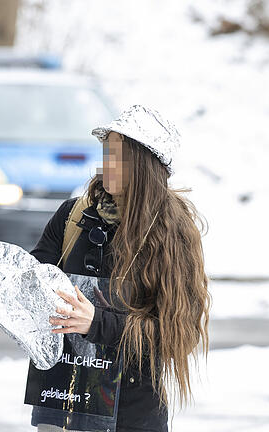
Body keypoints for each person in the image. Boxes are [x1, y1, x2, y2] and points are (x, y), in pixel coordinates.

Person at [28, 105, 210, 431]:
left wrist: (96, 323)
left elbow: (177, 334)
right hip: (64, 401)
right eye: (106, 153)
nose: (106, 165)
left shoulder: (171, 233)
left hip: (131, 414)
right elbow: (33, 282)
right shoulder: (73, 216)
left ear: (143, 166)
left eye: (118, 156)